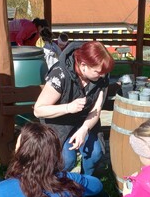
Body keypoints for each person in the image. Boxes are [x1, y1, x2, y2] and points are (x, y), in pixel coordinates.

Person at [33, 41, 114, 175]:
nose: (103, 76)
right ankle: (55, 185)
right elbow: (38, 110)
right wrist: (67, 108)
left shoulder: (101, 76)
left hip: (84, 122)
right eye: (98, 72)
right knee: (67, 160)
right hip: (58, 123)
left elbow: (96, 109)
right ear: (83, 65)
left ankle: (85, 185)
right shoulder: (60, 74)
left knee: (94, 154)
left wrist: (84, 129)